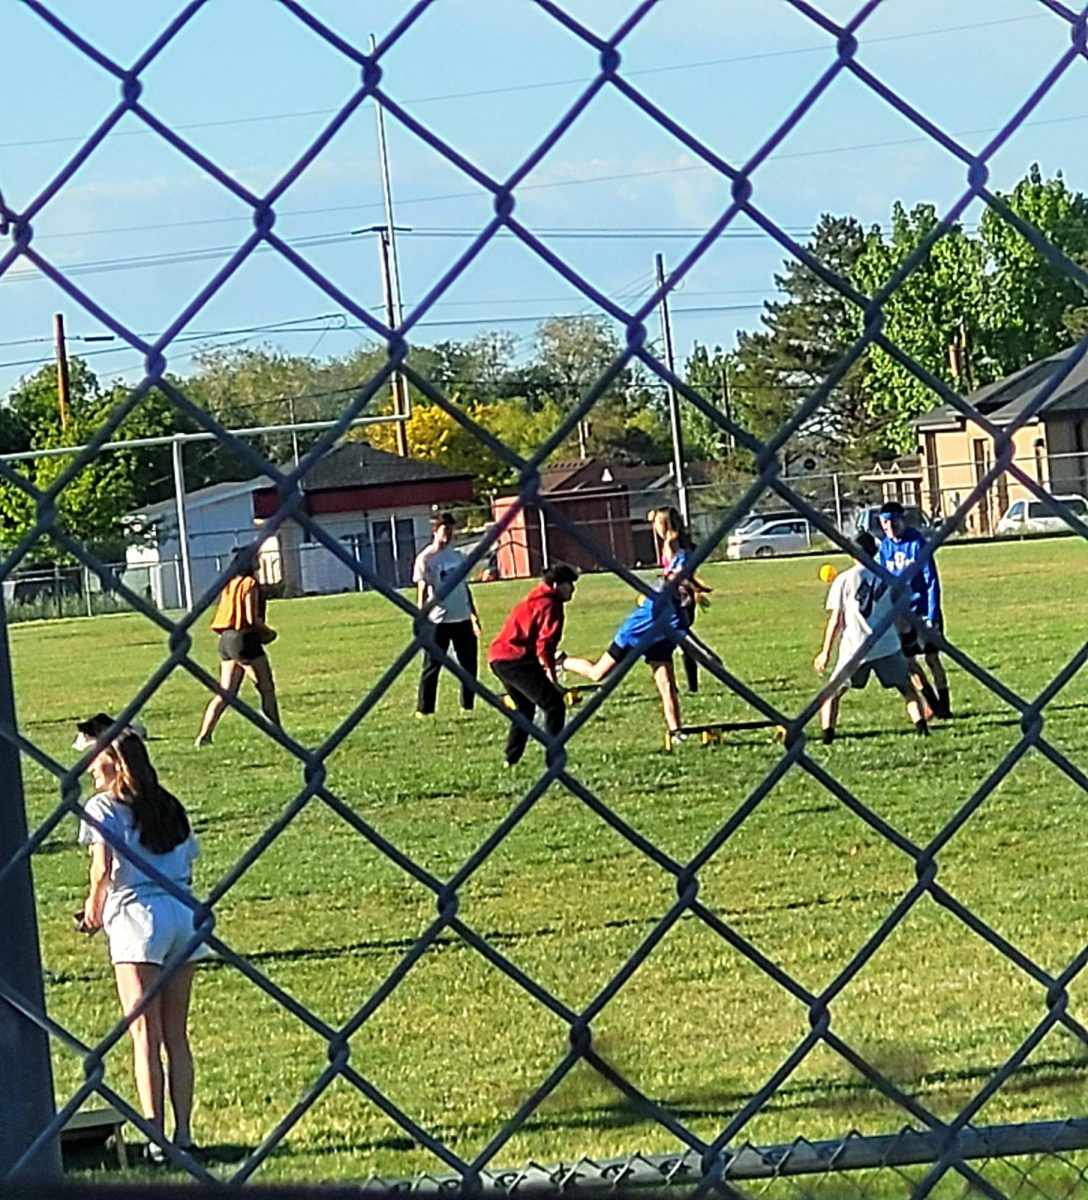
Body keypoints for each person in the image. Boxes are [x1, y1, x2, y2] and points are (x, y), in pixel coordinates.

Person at [76, 722, 209, 1160]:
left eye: (96, 759)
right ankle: (184, 1133)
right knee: (177, 1035)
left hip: (138, 919)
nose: (90, 767)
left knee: (143, 1035)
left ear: (113, 764)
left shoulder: (103, 806)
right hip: (185, 916)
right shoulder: (169, 804)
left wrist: (93, 909)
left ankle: (155, 1136)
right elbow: (187, 860)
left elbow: (102, 869)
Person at [561, 559, 703, 739]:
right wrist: (709, 657)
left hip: (659, 640)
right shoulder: (666, 601)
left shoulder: (685, 600)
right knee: (598, 673)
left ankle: (676, 732)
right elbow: (687, 636)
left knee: (667, 685)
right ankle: (562, 661)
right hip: (633, 637)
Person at [813, 532, 930, 743]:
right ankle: (922, 728)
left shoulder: (843, 580)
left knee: (832, 693)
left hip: (855, 648)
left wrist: (825, 652)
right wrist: (907, 635)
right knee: (907, 688)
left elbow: (836, 620)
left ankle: (827, 736)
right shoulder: (888, 577)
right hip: (886, 644)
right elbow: (901, 609)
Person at [488, 564, 578, 768]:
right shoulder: (551, 605)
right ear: (556, 585)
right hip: (515, 659)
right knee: (554, 704)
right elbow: (544, 645)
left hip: (498, 657)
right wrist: (552, 680)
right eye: (569, 584)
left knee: (525, 709)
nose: (572, 589)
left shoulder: (534, 598)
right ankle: (554, 759)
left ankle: (510, 759)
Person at [195, 551, 280, 747]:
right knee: (266, 688)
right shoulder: (249, 584)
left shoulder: (230, 583)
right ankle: (277, 732)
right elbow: (251, 618)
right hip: (245, 638)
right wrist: (268, 633)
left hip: (226, 639)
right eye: (255, 557)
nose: (258, 560)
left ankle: (204, 735)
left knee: (226, 692)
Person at [876, 499, 950, 719]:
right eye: (884, 523)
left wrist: (932, 614)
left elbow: (931, 581)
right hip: (901, 614)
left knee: (932, 658)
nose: (888, 527)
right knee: (909, 662)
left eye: (892, 522)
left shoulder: (917, 543)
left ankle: (945, 705)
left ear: (901, 520)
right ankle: (932, 703)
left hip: (922, 610)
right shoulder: (885, 547)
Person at [413, 512, 482, 717]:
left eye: (451, 529)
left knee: (469, 665)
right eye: (445, 529)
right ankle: (424, 710)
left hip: (461, 618)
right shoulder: (426, 558)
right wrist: (421, 617)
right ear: (435, 531)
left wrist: (473, 615)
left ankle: (467, 706)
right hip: (438, 621)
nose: (449, 533)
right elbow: (423, 590)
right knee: (432, 667)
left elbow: (464, 588)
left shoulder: (458, 556)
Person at [648, 507, 712, 694]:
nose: (655, 528)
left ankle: (703, 666)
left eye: (657, 524)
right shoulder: (680, 541)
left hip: (677, 596)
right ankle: (690, 685)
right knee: (678, 638)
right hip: (685, 594)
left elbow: (679, 572)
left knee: (674, 637)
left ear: (666, 525)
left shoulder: (671, 543)